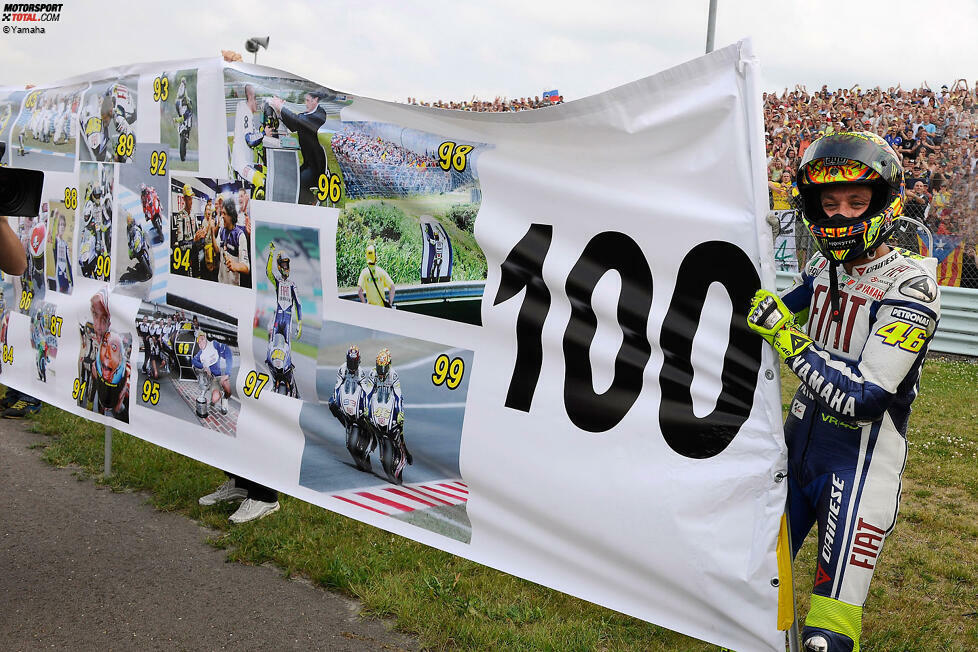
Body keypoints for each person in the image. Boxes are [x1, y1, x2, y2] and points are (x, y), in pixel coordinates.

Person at [747, 131, 940, 652]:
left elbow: (866, 399)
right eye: (828, 204)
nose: (841, 216)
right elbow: (774, 309)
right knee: (753, 594)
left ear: (884, 203)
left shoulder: (911, 285)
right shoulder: (822, 265)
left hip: (859, 468)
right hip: (794, 452)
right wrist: (749, 243)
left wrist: (787, 340)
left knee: (826, 635)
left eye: (857, 202)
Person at [267, 90, 329, 204]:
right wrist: (279, 111)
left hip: (317, 168)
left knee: (296, 184)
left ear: (316, 100)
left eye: (308, 100)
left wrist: (281, 106)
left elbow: (299, 121)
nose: (306, 104)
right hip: (308, 165)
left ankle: (311, 202)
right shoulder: (307, 115)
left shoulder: (320, 115)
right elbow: (294, 125)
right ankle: (304, 202)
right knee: (290, 179)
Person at [363, 348, 412, 474]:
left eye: (384, 368)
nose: (381, 372)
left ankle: (404, 449)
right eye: (379, 367)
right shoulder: (372, 374)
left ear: (388, 365)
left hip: (390, 405)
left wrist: (400, 412)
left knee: (400, 425)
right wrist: (366, 407)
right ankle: (372, 441)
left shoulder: (393, 375)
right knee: (365, 419)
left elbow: (398, 396)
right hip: (378, 406)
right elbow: (368, 393)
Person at [265, 242, 301, 343]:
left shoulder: (292, 285)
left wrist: (300, 323)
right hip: (277, 316)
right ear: (279, 266)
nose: (286, 267)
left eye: (287, 264)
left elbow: (298, 304)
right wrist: (271, 253)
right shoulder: (277, 281)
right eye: (283, 264)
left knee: (287, 344)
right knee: (272, 341)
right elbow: (268, 272)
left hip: (288, 320)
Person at [212, 197, 249, 287]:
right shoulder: (221, 231)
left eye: (224, 213)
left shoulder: (240, 236)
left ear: (231, 215)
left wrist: (236, 266)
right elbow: (217, 250)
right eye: (221, 213)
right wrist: (212, 233)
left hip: (233, 286)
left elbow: (246, 268)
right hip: (220, 282)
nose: (222, 216)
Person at [327, 344, 366, 420]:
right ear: (347, 360)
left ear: (358, 361)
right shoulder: (342, 369)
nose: (352, 365)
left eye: (354, 362)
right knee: (331, 403)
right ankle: (343, 421)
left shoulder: (361, 372)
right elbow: (337, 385)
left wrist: (365, 403)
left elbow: (365, 389)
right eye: (350, 362)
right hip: (345, 395)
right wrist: (335, 398)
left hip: (355, 397)